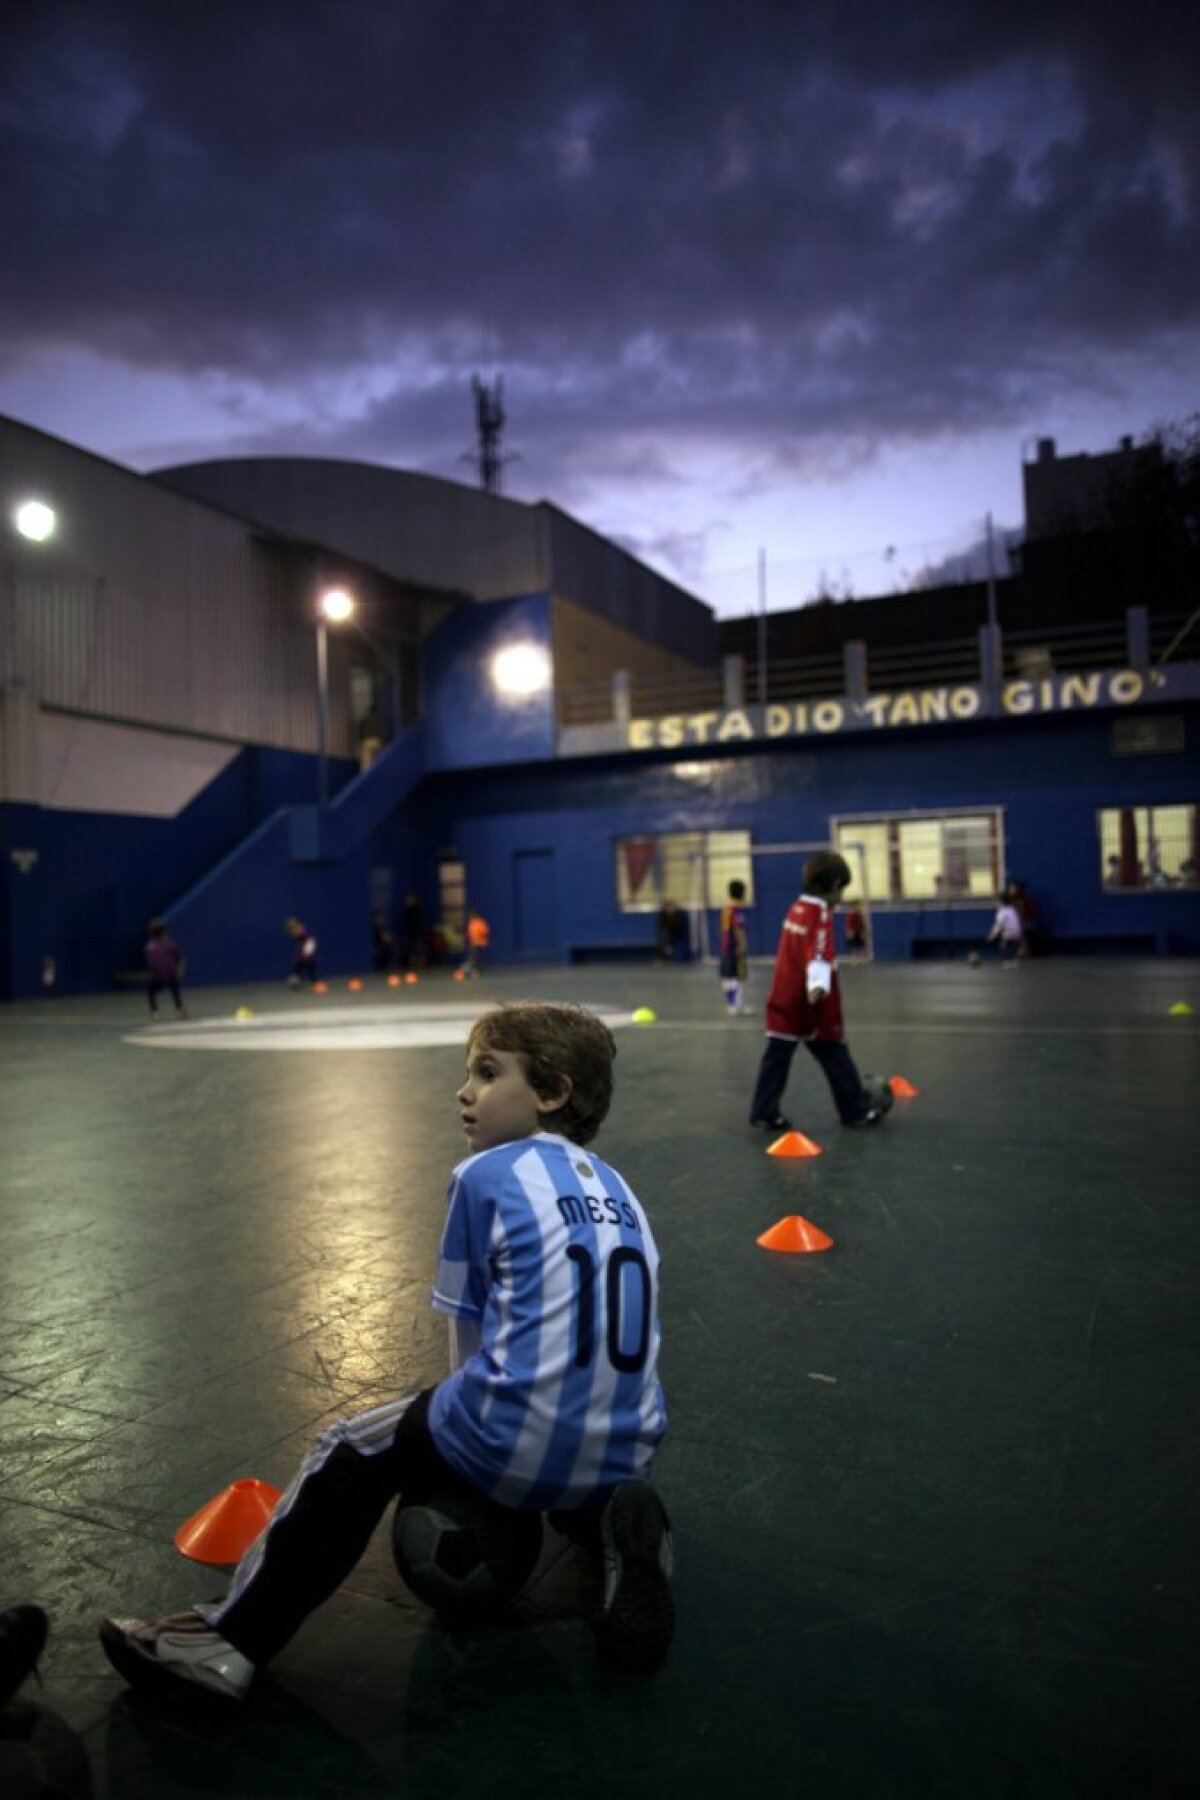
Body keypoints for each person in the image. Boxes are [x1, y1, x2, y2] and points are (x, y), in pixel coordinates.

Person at [98, 1002, 673, 1700]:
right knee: (559, 1439)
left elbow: (468, 1334)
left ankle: (227, 1643)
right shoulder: (621, 1189)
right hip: (631, 1439)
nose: (464, 1094)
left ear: (552, 1093)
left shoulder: (485, 1177)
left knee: (349, 1446)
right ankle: (616, 1527)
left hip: (514, 1427)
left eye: (488, 1074)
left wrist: (470, 1469)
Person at [748, 850, 889, 1130]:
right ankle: (855, 1112)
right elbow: (819, 951)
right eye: (843, 889)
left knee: (776, 1059)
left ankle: (764, 1112)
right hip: (811, 1005)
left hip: (782, 998)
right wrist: (818, 986)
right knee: (835, 1052)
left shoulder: (796, 907)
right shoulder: (819, 915)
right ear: (835, 886)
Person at [144, 919, 186, 1019]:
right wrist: (179, 970)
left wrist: (152, 973)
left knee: (150, 991)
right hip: (171, 973)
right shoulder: (171, 944)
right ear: (164, 932)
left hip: (158, 975)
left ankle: (155, 1012)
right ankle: (179, 1010)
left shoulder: (149, 946)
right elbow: (180, 958)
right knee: (175, 989)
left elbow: (151, 963)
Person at [718, 880, 748, 1016]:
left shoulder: (725, 908)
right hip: (734, 947)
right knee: (738, 976)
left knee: (727, 976)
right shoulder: (736, 910)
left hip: (725, 946)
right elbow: (738, 929)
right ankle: (736, 1005)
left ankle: (732, 1004)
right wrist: (742, 945)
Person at [988, 892, 1025, 968]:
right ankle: (1018, 953)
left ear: (1001, 901)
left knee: (1003, 946)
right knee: (1012, 944)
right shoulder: (1012, 909)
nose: (996, 903)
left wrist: (992, 935)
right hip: (1018, 933)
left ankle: (1008, 961)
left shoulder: (1001, 912)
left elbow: (999, 925)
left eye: (996, 901)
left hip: (1009, 934)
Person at [284, 916, 318, 987]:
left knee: (308, 962)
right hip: (305, 945)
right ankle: (295, 980)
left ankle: (313, 981)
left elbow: (301, 934)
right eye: (291, 924)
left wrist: (295, 930)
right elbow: (296, 936)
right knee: (300, 963)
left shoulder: (300, 928)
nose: (292, 924)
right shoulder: (294, 931)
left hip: (309, 944)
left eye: (293, 923)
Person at [461, 908, 490, 978]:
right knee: (474, 957)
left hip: (479, 943)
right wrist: (466, 936)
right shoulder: (471, 923)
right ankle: (472, 970)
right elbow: (470, 933)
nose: (471, 916)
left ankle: (471, 971)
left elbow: (485, 932)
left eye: (472, 915)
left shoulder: (480, 922)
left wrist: (479, 937)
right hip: (473, 943)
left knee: (473, 957)